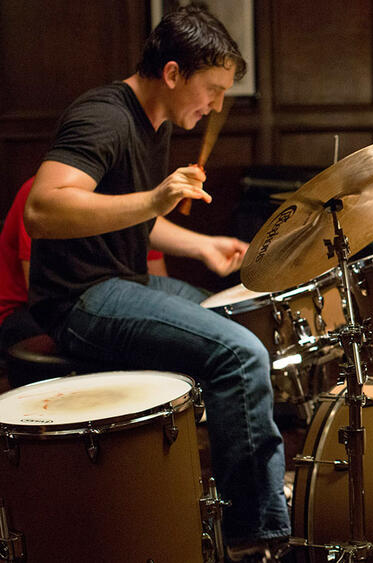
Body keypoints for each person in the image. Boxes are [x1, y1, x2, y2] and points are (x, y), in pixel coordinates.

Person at [23, 6, 289, 560]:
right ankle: (253, 535)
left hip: (121, 280)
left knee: (230, 316)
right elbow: (43, 210)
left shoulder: (155, 122)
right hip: (77, 299)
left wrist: (202, 245)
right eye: (212, 90)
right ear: (172, 73)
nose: (216, 105)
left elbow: (132, 217)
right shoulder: (104, 116)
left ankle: (215, 492)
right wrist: (155, 198)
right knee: (241, 354)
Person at [1, 177, 167, 361]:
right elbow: (37, 291)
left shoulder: (133, 201)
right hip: (26, 310)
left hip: (96, 299)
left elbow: (157, 280)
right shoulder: (46, 196)